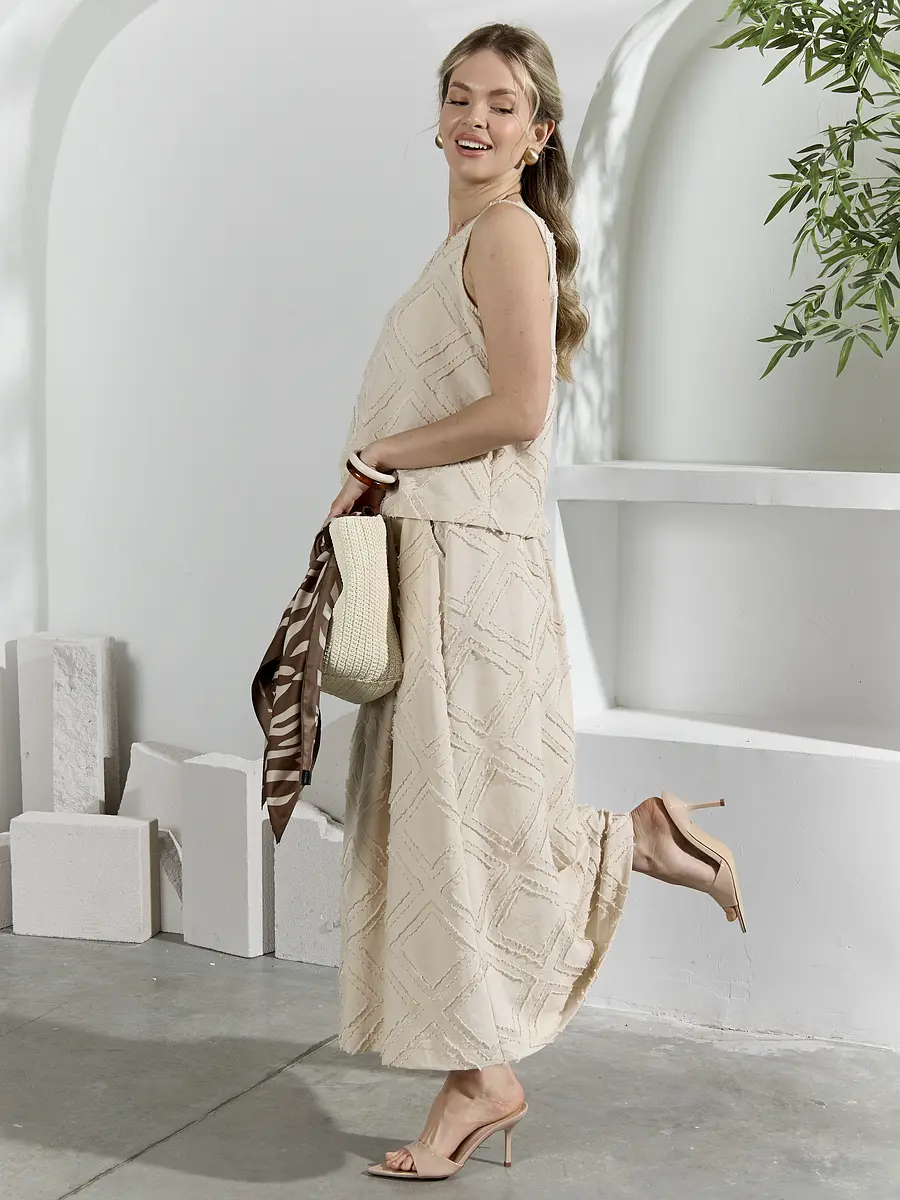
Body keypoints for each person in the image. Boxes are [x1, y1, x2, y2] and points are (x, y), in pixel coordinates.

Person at [327, 22, 745, 1182]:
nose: (474, 119)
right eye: (459, 97)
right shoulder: (469, 241)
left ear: (539, 133)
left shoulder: (508, 234)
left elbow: (520, 411)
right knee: (457, 827)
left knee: (473, 823)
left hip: (473, 577)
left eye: (502, 104)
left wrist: (378, 454)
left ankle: (621, 864)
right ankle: (488, 1068)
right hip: (445, 562)